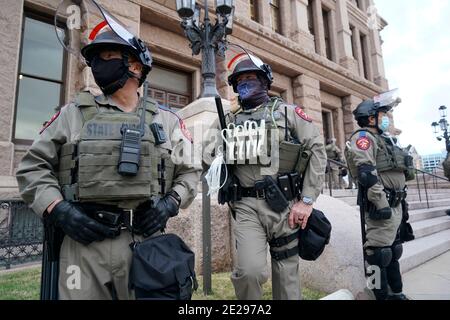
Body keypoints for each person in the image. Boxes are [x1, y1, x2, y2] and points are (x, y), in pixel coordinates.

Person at [16, 30, 201, 300]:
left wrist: (170, 203)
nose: (98, 66)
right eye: (96, 60)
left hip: (146, 242)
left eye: (108, 57)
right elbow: (32, 167)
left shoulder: (167, 121)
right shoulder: (72, 115)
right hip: (83, 243)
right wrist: (59, 210)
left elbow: (191, 170)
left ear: (136, 66)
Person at [206, 52, 327, 300]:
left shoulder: (287, 113)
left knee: (287, 277)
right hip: (247, 206)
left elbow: (316, 149)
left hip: (285, 204)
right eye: (240, 80)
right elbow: (206, 154)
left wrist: (306, 201)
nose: (245, 84)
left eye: (251, 78)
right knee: (249, 272)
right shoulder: (228, 119)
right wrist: (218, 157)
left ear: (264, 82)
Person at [345, 96, 412, 300]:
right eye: (382, 115)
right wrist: (380, 202)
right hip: (381, 204)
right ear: (371, 118)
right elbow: (366, 173)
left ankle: (396, 293)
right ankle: (378, 296)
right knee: (377, 254)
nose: (386, 119)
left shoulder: (383, 139)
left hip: (397, 203)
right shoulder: (364, 138)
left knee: (393, 250)